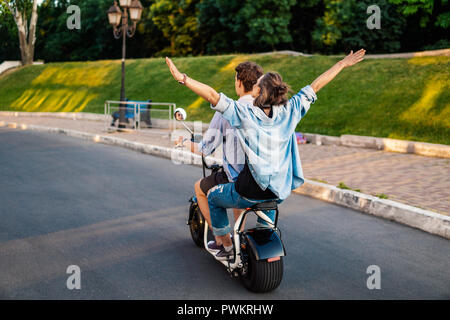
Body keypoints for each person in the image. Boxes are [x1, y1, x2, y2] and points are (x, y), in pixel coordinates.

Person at [166, 49, 366, 260]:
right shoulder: (290, 110)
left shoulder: (245, 114)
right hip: (279, 190)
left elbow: (213, 96)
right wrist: (342, 64)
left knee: (214, 196)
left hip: (251, 188)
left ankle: (225, 246)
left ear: (259, 91)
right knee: (264, 205)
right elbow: (316, 86)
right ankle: (264, 233)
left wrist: (183, 78)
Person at [175, 62, 264, 251]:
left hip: (238, 179)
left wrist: (183, 142)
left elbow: (204, 149)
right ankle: (239, 233)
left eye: (235, 79)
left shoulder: (228, 111)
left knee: (200, 188)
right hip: (264, 179)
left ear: (239, 83)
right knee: (238, 183)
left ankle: (224, 241)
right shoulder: (266, 110)